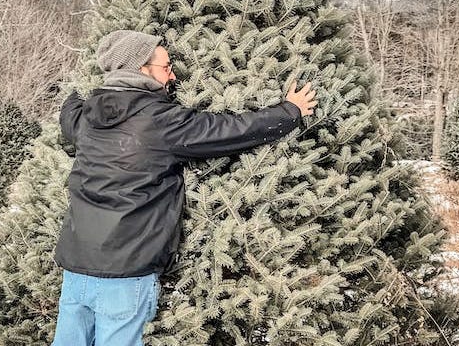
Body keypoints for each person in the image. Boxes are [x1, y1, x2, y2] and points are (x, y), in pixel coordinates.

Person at [52, 30, 317, 346]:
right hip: (126, 272)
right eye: (166, 67)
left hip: (77, 266)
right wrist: (290, 111)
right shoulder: (159, 120)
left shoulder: (86, 116)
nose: (173, 75)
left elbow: (68, 114)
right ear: (139, 68)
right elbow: (227, 131)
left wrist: (73, 97)